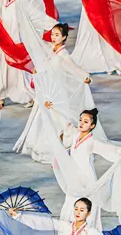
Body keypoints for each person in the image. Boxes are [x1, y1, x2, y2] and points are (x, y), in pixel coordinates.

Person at [14, 22, 92, 163]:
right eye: (52, 34)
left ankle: (62, 148)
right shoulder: (50, 50)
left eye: (57, 35)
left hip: (57, 92)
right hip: (47, 90)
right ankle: (45, 148)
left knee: (58, 120)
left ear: (64, 37)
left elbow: (74, 68)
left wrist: (84, 77)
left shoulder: (63, 54)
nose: (53, 37)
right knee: (44, 119)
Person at [0, 0, 56, 105]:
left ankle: (28, 95)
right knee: (1, 65)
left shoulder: (23, 0)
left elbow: (39, 16)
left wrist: (55, 26)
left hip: (17, 39)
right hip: (5, 39)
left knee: (19, 70)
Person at [58, 108, 121, 229]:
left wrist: (119, 151)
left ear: (92, 125)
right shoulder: (75, 135)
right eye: (80, 120)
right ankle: (67, 232)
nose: (81, 123)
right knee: (70, 201)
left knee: (89, 205)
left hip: (87, 179)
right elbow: (63, 125)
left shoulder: (92, 141)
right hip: (74, 177)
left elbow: (107, 148)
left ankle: (89, 232)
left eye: (85, 122)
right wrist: (52, 109)